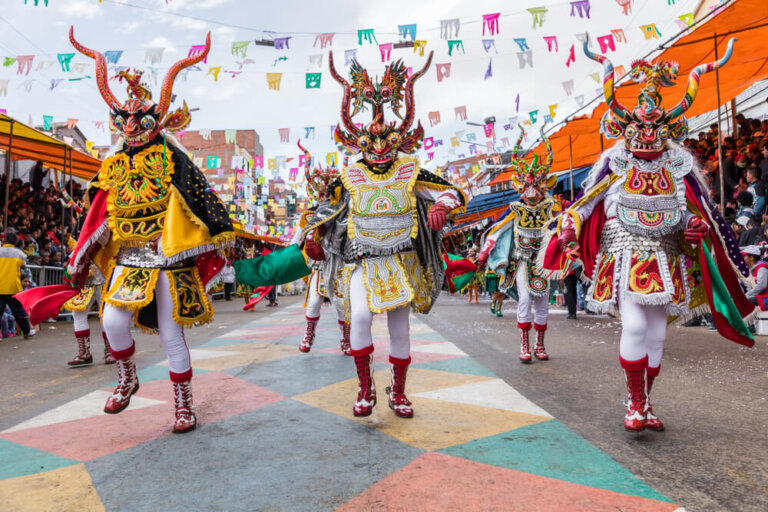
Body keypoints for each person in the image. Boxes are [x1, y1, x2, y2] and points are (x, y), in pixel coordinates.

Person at [543, 38, 754, 432]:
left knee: (656, 336)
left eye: (655, 125)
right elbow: (587, 201)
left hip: (667, 257)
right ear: (625, 127)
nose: (646, 131)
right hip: (624, 255)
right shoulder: (616, 160)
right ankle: (635, 404)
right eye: (639, 124)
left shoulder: (677, 164)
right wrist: (570, 224)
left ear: (667, 128)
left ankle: (644, 402)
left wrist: (694, 226)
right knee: (637, 327)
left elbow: (691, 210)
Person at [58, 30, 233, 433]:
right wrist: (82, 254)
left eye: (141, 119)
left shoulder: (174, 159)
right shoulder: (112, 164)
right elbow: (98, 213)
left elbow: (203, 203)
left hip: (169, 257)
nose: (133, 125)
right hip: (130, 259)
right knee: (112, 323)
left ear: (158, 121)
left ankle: (184, 406)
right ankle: (127, 378)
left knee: (172, 335)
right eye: (126, 119)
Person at [303, 51, 465, 418]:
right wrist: (315, 235)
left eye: (386, 145)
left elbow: (451, 191)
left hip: (401, 261)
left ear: (399, 143)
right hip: (362, 262)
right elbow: (324, 209)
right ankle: (366, 388)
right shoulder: (349, 176)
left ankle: (399, 391)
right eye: (371, 145)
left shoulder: (410, 172)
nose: (379, 152)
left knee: (400, 329)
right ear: (358, 144)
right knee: (359, 317)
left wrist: (441, 205)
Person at [477, 125, 562, 363]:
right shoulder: (515, 209)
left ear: (545, 185)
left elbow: (562, 228)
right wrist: (485, 251)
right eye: (526, 187)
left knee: (543, 302)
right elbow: (497, 229)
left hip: (544, 262)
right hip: (522, 260)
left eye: (536, 186)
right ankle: (524, 344)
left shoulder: (551, 208)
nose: (531, 192)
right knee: (525, 299)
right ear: (519, 186)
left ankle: (539, 344)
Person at [295, 141, 350, 354]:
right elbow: (297, 238)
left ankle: (346, 339)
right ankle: (309, 335)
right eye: (321, 195)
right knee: (314, 301)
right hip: (319, 264)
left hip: (339, 262)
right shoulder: (310, 214)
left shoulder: (343, 212)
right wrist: (289, 251)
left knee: (342, 303)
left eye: (328, 194)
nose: (325, 198)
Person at [0, 231, 34, 339]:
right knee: (18, 311)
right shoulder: (19, 254)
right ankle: (27, 332)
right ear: (16, 241)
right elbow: (23, 265)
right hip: (13, 286)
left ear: (4, 240)